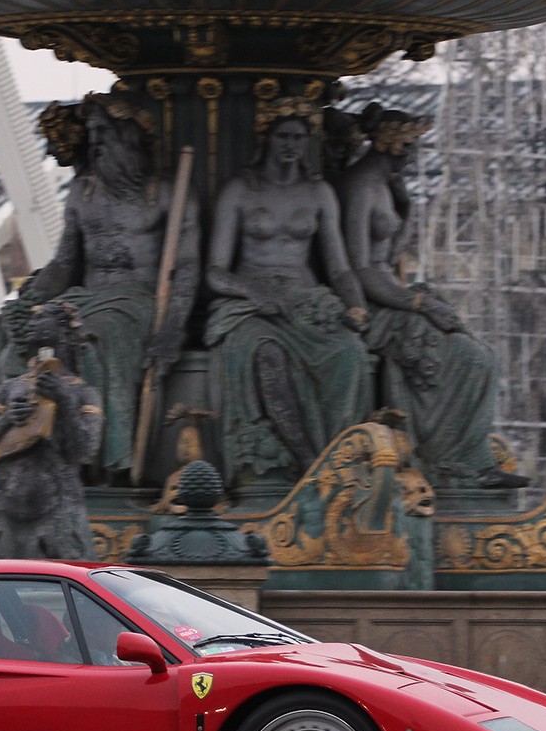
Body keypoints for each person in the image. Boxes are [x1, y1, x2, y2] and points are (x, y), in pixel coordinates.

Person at [0, 91, 200, 482]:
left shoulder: (167, 194)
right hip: (84, 297)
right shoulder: (83, 192)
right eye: (93, 136)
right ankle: (19, 450)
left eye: (105, 135)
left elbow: (188, 269)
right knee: (9, 341)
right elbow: (64, 263)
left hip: (134, 301)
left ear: (129, 139)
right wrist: (29, 302)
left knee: (91, 341)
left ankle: (94, 465)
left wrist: (173, 327)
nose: (97, 146)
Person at [339, 103, 528, 489]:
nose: (415, 154)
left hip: (390, 294)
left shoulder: (384, 187)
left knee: (482, 355)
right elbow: (360, 269)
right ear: (393, 145)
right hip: (368, 303)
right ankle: (453, 462)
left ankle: (462, 456)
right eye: (412, 146)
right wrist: (419, 304)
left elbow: (390, 257)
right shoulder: (359, 186)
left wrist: (405, 207)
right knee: (470, 358)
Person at [203, 97, 371, 481]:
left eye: (299, 136)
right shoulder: (240, 191)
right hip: (250, 302)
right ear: (267, 137)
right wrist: (253, 293)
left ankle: (340, 456)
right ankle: (306, 460)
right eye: (283, 136)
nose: (291, 145)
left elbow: (341, 268)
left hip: (306, 300)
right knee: (266, 355)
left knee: (350, 354)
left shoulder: (319, 193)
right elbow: (214, 271)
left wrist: (357, 308)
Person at [0, 302, 103, 559]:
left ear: (62, 329)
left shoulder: (84, 393)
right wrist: (7, 419)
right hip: (2, 512)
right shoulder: (8, 389)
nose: (32, 322)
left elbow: (85, 451)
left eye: (41, 318)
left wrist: (64, 402)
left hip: (56, 513)